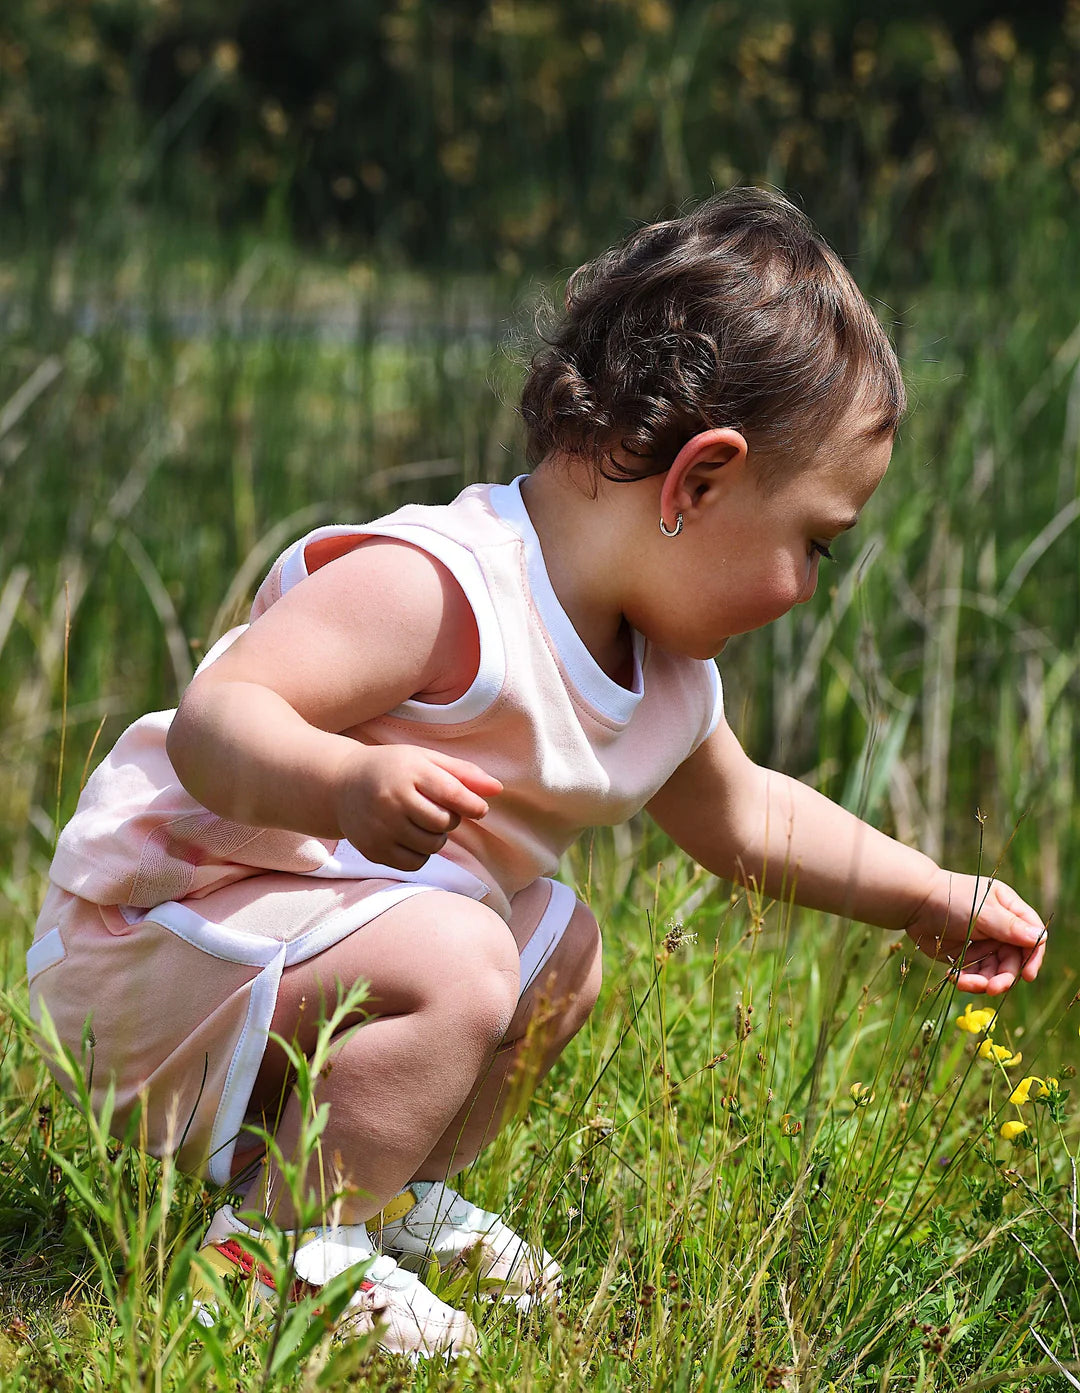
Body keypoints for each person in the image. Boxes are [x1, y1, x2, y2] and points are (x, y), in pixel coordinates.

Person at [26, 188, 1047, 1358]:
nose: (809, 586)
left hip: (281, 978)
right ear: (699, 481)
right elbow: (220, 717)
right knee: (466, 954)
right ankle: (269, 1260)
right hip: (145, 958)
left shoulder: (660, 676)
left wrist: (928, 891)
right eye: (814, 541)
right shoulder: (445, 587)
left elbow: (748, 817)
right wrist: (339, 784)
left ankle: (374, 1198)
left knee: (559, 948)